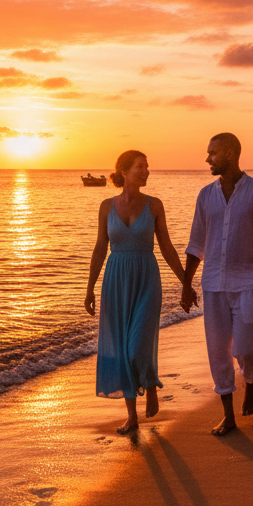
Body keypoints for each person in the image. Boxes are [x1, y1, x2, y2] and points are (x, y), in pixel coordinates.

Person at [181, 133, 253, 436]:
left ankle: (250, 381)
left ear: (229, 153)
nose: (208, 159)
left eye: (212, 153)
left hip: (249, 282)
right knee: (217, 351)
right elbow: (196, 244)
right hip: (213, 284)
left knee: (247, 348)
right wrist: (186, 284)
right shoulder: (205, 196)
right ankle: (228, 415)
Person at [85, 150, 188, 434]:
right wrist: (90, 288)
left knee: (137, 345)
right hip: (115, 280)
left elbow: (166, 246)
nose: (146, 171)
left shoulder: (154, 205)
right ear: (124, 171)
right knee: (120, 348)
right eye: (140, 167)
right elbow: (99, 248)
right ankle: (132, 416)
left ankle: (151, 381)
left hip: (146, 279)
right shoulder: (106, 206)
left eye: (147, 167)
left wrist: (185, 281)